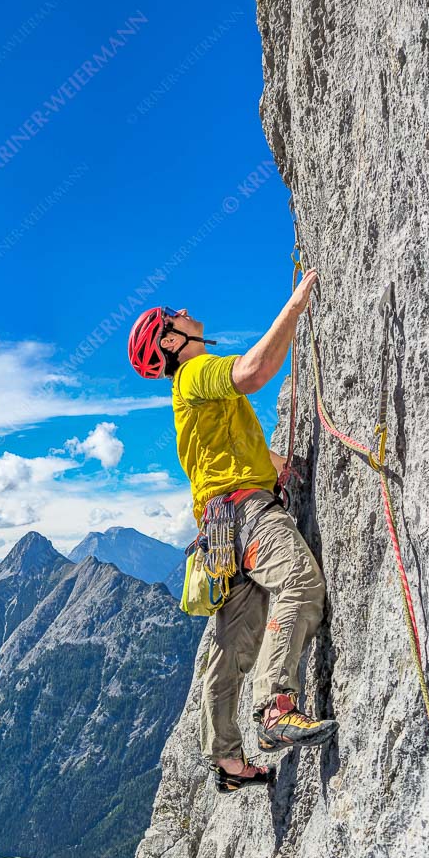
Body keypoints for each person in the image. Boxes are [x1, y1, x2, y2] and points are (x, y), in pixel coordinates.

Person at [127, 269, 337, 793]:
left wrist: (282, 464)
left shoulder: (194, 399)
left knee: (230, 646)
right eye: (172, 315)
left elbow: (234, 453)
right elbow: (252, 371)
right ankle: (277, 706)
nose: (182, 310)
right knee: (299, 584)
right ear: (172, 341)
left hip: (221, 532)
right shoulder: (196, 375)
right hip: (246, 514)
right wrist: (295, 308)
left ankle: (225, 759)